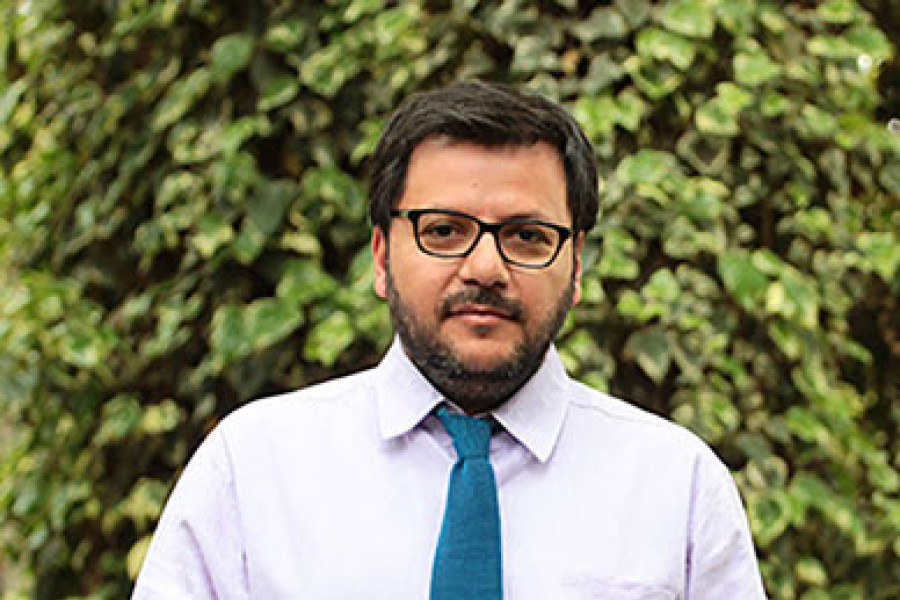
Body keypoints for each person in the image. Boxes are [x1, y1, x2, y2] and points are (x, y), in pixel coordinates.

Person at [131, 81, 767, 599]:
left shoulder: (676, 486)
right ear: (381, 256)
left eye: (527, 236)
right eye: (442, 230)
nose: (486, 268)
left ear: (576, 267)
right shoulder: (253, 469)